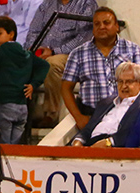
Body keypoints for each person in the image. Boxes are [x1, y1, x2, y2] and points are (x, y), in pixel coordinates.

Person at [61, 7, 140, 131]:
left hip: (126, 117)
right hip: (92, 117)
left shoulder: (132, 50)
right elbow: (66, 88)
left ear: (117, 26)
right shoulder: (78, 54)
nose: (101, 27)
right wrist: (79, 118)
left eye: (106, 23)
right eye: (97, 24)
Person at [24, 0, 98, 128]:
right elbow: (33, 31)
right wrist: (35, 48)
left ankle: (51, 114)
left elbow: (84, 38)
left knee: (51, 64)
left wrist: (53, 51)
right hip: (43, 52)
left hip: (72, 55)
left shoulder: (86, 4)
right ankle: (21, 115)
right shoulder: (47, 4)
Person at [0, 16, 49, 144]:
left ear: (11, 34)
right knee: (16, 145)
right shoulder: (26, 53)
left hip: (4, 103)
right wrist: (33, 84)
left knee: (3, 145)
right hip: (22, 106)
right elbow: (44, 65)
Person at [70, 61, 140, 147]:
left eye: (129, 82)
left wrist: (108, 142)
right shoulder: (105, 103)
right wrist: (78, 141)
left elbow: (136, 132)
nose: (124, 86)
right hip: (90, 145)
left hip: (116, 148)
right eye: (120, 81)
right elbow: (88, 129)